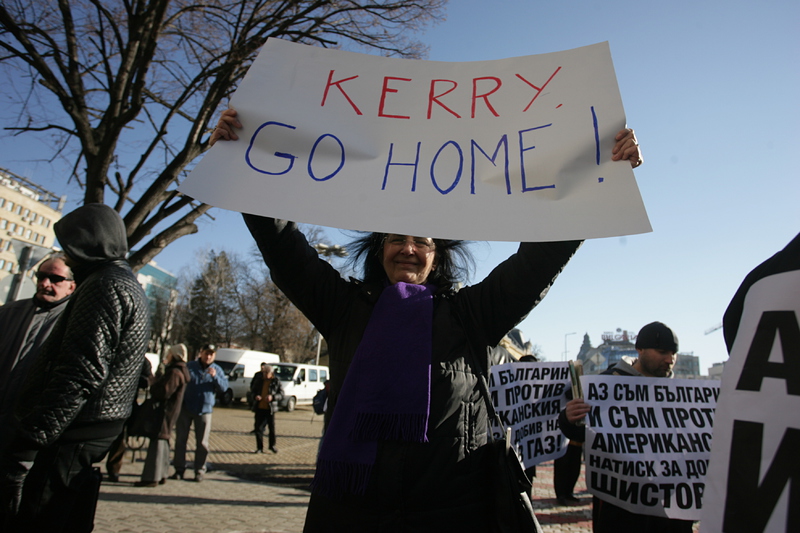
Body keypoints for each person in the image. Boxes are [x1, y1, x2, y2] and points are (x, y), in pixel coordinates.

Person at [211, 109, 643, 532]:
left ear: (438, 255)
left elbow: (539, 259)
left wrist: (600, 176)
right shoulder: (344, 308)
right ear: (379, 248)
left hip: (454, 512)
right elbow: (285, 249)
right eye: (396, 238)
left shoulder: (472, 314)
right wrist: (244, 161)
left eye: (422, 241)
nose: (408, 249)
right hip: (351, 512)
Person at [0, 203, 150, 532]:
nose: (67, 260)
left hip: (76, 431)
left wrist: (31, 437)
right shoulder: (122, 282)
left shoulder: (104, 285)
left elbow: (81, 371)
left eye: (70, 251)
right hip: (91, 428)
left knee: (40, 519)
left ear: (87, 244)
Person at [558, 321, 693, 532]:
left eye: (674, 353)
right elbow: (580, 432)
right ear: (640, 350)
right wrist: (568, 418)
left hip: (670, 504)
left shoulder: (681, 392)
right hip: (620, 503)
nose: (670, 360)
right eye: (662, 352)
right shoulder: (606, 384)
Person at [0, 255, 76, 448]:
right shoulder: (8, 313)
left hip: (29, 436)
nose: (45, 283)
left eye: (55, 279)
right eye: (40, 276)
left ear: (71, 286)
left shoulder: (74, 323)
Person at [171, 343, 227, 482]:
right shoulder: (190, 366)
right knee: (180, 440)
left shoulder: (217, 369)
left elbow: (224, 388)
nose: (208, 356)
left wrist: (215, 378)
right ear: (200, 353)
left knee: (202, 443)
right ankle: (179, 469)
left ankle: (199, 470)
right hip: (186, 408)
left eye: (211, 354)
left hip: (204, 410)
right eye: (206, 353)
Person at [135, 344, 190, 487]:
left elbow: (163, 393)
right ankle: (161, 474)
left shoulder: (175, 373)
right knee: (163, 441)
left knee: (158, 441)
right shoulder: (179, 371)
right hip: (169, 412)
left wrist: (153, 382)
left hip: (164, 413)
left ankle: (152, 477)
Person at [105, 357, 154, 482]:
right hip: (110, 400)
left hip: (127, 404)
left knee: (120, 437)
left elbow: (148, 380)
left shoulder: (142, 361)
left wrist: (137, 380)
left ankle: (114, 468)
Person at [250, 363, 284, 454]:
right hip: (260, 407)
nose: (264, 374)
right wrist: (255, 396)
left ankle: (272, 446)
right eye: (263, 372)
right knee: (258, 428)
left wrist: (272, 397)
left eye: (266, 372)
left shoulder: (276, 381)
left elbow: (281, 394)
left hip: (270, 409)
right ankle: (259, 447)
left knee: (271, 428)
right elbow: (252, 391)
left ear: (271, 373)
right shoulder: (259, 380)